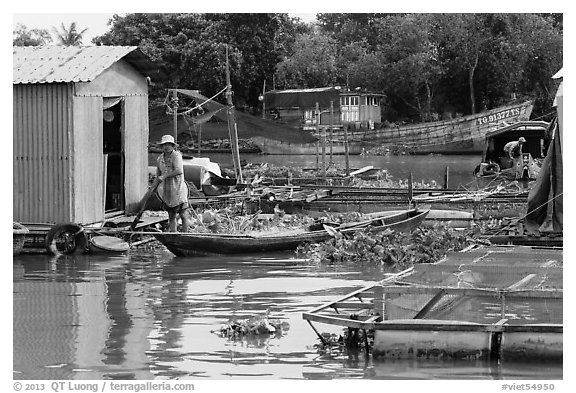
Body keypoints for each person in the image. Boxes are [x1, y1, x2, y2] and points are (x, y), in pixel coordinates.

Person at [156, 135, 191, 232]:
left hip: (178, 188)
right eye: (165, 145)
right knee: (171, 215)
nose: (167, 147)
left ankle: (185, 235)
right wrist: (155, 185)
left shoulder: (176, 156)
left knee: (183, 214)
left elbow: (179, 170)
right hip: (167, 190)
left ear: (172, 146)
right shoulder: (160, 159)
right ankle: (174, 233)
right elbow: (158, 175)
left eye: (169, 144)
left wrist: (165, 176)